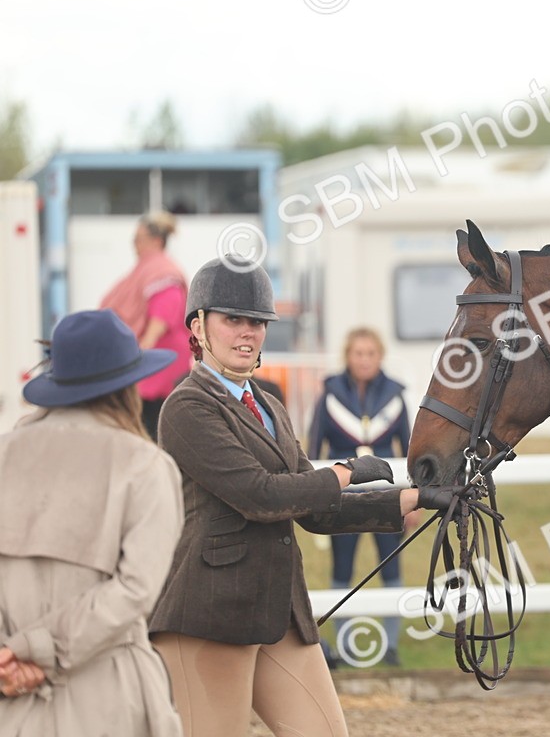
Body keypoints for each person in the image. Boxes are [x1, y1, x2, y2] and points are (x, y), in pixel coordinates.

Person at [147, 256, 427, 737]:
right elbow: (259, 496)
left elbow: (312, 511)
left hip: (281, 611)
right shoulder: (186, 407)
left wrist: (413, 499)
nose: (248, 332)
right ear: (198, 325)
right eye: (232, 319)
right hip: (211, 614)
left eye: (256, 322)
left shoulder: (270, 405)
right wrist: (344, 471)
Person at [0, 309, 185, 737]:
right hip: (109, 689)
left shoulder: (4, 456)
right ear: (128, 386)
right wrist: (37, 651)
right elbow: (136, 590)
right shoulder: (145, 465)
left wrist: (11, 656)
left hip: (11, 695)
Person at [308, 327, 412, 666]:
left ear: (379, 356)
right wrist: (315, 495)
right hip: (344, 493)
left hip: (387, 491)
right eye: (358, 353)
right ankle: (346, 646)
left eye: (370, 353)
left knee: (391, 568)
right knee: (342, 569)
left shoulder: (397, 396)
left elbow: (409, 451)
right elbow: (314, 447)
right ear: (348, 357)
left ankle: (392, 646)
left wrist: (413, 498)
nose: (364, 359)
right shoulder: (329, 395)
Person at [99, 212, 191, 440]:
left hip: (157, 369)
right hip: (151, 366)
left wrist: (140, 353)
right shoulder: (148, 269)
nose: (135, 245)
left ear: (156, 240)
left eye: (139, 239)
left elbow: (162, 316)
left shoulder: (162, 272)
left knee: (150, 430)